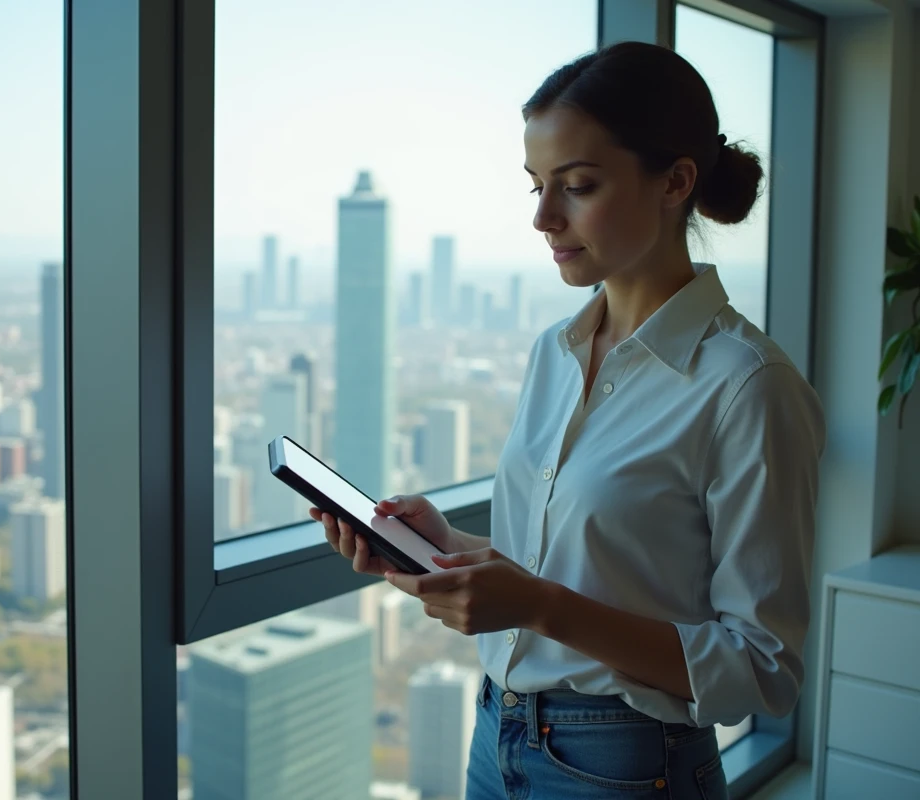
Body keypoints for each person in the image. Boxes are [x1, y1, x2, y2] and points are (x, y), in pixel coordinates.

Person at [311, 41, 825, 800]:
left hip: (627, 764)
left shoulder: (748, 388)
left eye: (578, 186)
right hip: (498, 735)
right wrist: (447, 547)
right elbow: (579, 567)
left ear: (676, 181)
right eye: (536, 187)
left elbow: (760, 669)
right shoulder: (555, 353)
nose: (545, 218)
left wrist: (541, 607)